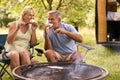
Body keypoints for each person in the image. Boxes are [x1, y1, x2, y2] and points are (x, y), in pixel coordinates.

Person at [3, 6, 38, 77]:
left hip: (24, 52)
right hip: (10, 51)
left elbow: (33, 43)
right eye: (30, 15)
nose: (32, 17)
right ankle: (18, 78)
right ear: (24, 16)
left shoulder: (32, 27)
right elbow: (9, 41)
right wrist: (17, 28)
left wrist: (34, 31)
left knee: (23, 52)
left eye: (33, 15)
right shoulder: (14, 24)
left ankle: (28, 77)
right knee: (15, 54)